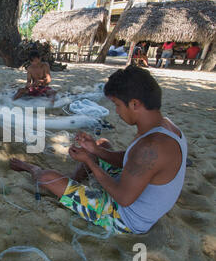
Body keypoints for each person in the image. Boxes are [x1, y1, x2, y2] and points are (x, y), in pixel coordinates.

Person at [10, 66, 187, 234]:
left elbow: (123, 198)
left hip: (125, 218)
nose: (116, 111)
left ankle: (33, 169)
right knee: (102, 144)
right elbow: (131, 159)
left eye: (117, 105)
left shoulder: (151, 147)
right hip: (134, 193)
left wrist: (89, 161)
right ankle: (72, 182)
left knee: (47, 177)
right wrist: (94, 149)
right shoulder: (165, 126)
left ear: (134, 104)